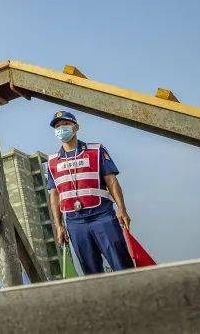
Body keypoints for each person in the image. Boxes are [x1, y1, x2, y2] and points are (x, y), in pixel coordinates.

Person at [45, 110, 135, 275]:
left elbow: (111, 181)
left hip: (103, 217)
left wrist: (122, 209)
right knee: (91, 272)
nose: (61, 128)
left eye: (65, 124)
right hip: (75, 223)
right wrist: (59, 226)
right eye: (57, 126)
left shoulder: (96, 150)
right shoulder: (52, 162)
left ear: (76, 127)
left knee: (122, 265)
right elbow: (54, 195)